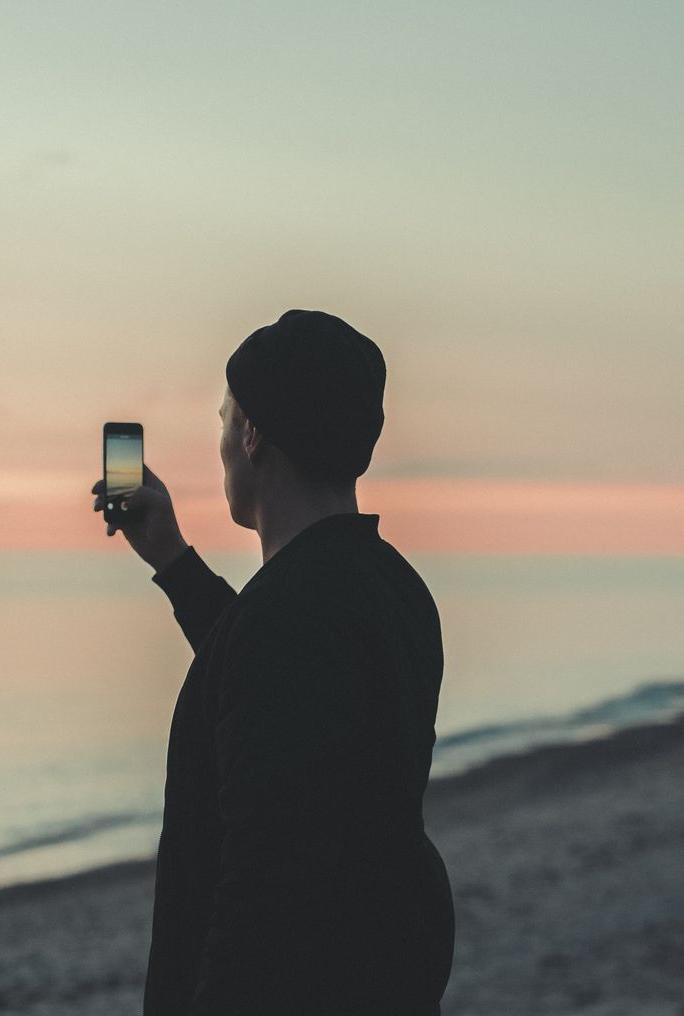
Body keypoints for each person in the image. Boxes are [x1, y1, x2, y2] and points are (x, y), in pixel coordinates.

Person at [90, 309, 455, 1015]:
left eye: (225, 420)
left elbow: (268, 891)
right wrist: (171, 557)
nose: (222, 440)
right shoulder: (391, 588)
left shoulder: (294, 618)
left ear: (253, 435)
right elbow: (276, 683)